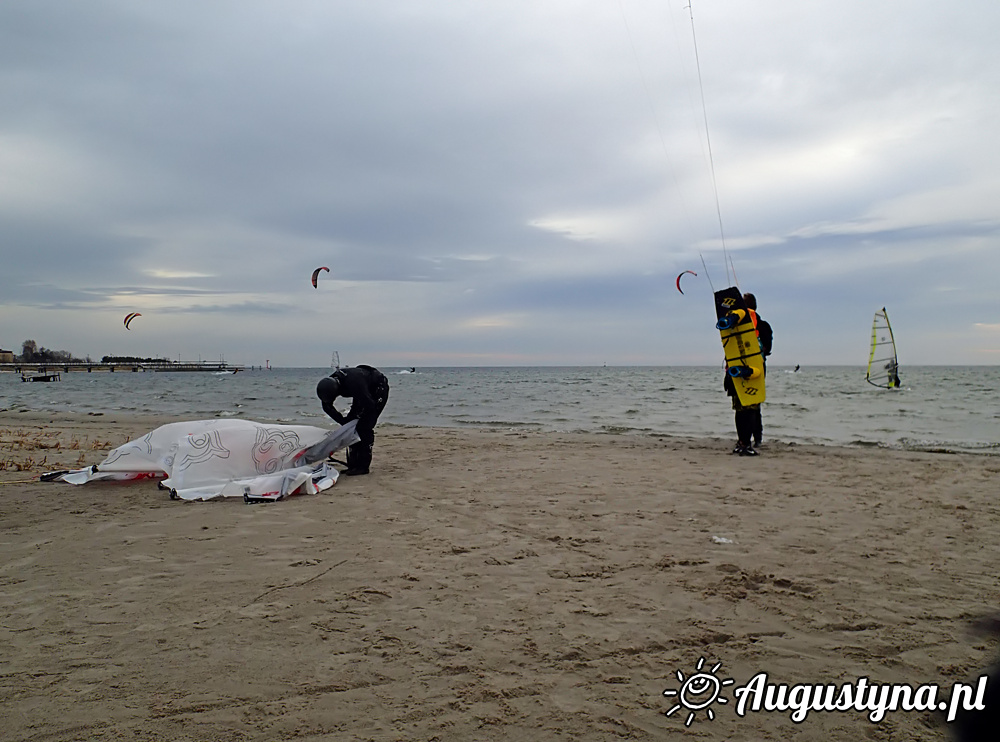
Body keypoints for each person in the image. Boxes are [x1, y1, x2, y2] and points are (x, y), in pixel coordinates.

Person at [316, 364, 390, 475]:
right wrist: (345, 423)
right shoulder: (328, 385)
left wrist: (364, 422)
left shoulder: (355, 384)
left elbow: (370, 406)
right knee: (351, 426)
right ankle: (353, 464)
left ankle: (363, 466)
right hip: (362, 390)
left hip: (377, 387)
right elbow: (327, 407)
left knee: (364, 428)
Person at [726, 292, 772, 455]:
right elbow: (767, 350)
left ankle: (748, 440)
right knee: (749, 407)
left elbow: (766, 349)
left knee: (744, 408)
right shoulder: (737, 324)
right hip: (744, 372)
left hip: (751, 371)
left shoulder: (761, 325)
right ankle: (748, 441)